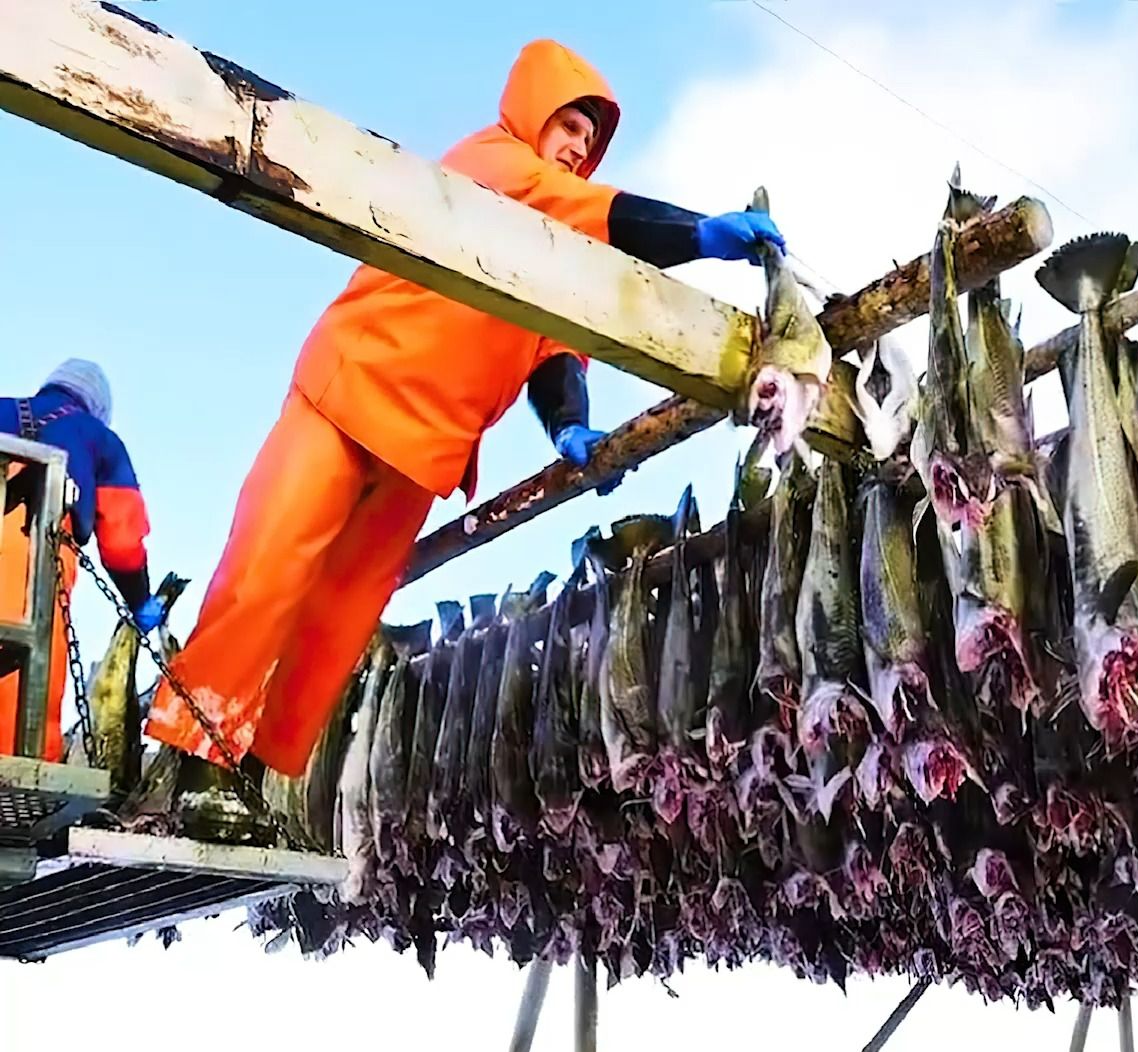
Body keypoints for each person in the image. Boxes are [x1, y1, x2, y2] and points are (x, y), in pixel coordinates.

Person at [143, 39, 784, 807]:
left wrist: (570, 429)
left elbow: (557, 349)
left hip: (427, 450)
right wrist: (698, 234)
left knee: (336, 623)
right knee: (265, 570)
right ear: (531, 112)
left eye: (592, 136)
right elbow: (585, 211)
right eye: (569, 124)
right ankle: (192, 757)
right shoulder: (493, 160)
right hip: (349, 393)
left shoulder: (563, 241)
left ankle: (248, 778)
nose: (580, 146)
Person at [1, 360, 165, 761]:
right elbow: (124, 541)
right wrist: (140, 601)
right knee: (22, 709)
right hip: (32, 572)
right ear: (97, 408)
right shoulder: (98, 440)